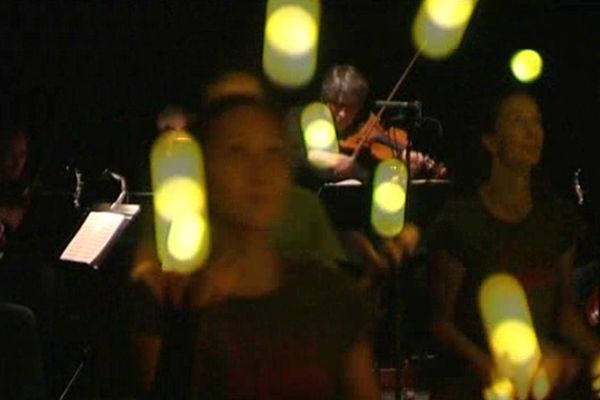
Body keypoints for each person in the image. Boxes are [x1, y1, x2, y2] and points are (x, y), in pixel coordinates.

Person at [128, 96, 381, 399]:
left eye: (273, 151)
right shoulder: (171, 295)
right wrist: (185, 329)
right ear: (202, 171)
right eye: (237, 151)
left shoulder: (328, 292)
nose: (259, 171)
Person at [427, 88, 600, 399]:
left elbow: (562, 312)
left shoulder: (557, 219)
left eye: (537, 121)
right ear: (490, 140)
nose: (532, 131)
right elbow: (440, 323)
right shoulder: (461, 221)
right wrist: (494, 370)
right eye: (518, 121)